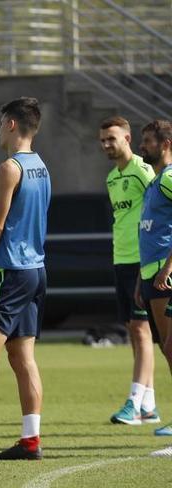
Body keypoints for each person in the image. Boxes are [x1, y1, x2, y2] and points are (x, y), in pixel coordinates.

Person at [0, 97, 50, 460]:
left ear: (13, 125)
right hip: (35, 271)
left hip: (10, 273)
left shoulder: (9, 168)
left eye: (2, 122)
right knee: (22, 357)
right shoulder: (42, 168)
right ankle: (31, 440)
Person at [100, 116, 161, 425]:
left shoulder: (143, 171)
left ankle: (134, 403)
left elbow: (158, 211)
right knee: (135, 332)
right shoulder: (112, 178)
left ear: (126, 138)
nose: (107, 145)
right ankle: (149, 405)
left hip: (143, 261)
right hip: (120, 259)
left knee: (142, 332)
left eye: (112, 138)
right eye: (103, 140)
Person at [134, 120, 172, 454]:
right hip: (149, 275)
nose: (142, 146)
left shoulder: (170, 177)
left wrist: (168, 268)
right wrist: (140, 279)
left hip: (165, 275)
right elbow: (148, 232)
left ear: (165, 143)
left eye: (147, 141)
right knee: (166, 348)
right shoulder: (155, 181)